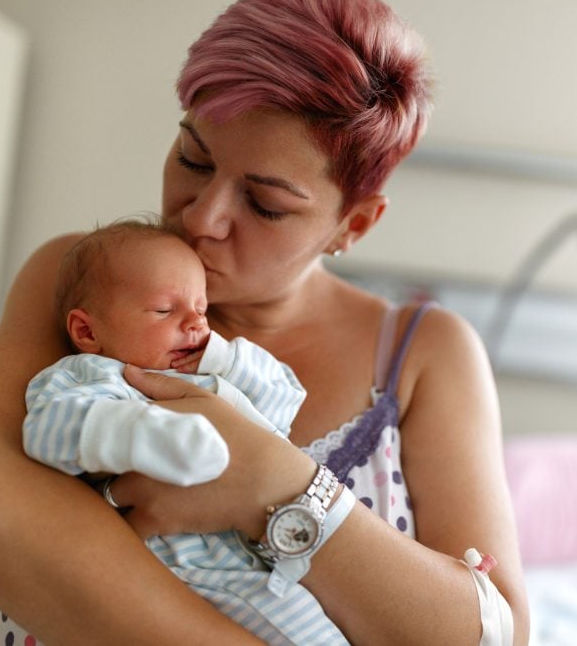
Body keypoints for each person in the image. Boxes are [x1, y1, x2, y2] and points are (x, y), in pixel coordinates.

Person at [0, 0, 530, 645]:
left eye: (265, 203)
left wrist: (275, 482)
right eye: (193, 156)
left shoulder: (424, 353)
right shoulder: (84, 279)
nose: (202, 217)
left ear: (353, 224)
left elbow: (492, 633)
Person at [22, 218, 348, 644]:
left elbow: (284, 399)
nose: (195, 324)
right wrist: (147, 433)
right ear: (87, 331)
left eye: (201, 308)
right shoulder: (94, 376)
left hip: (265, 557)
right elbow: (47, 429)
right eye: (163, 310)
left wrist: (224, 360)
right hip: (192, 565)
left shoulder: (209, 376)